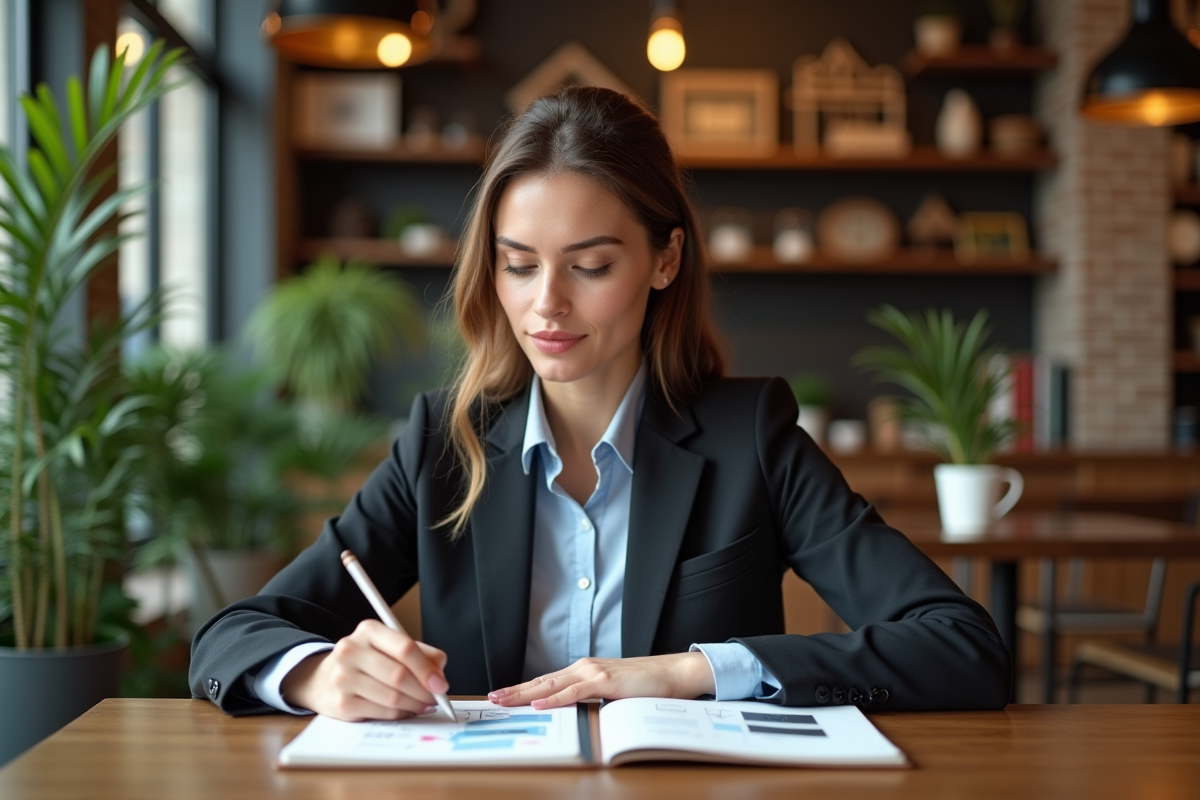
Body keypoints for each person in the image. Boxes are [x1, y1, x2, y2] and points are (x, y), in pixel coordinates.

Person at [189, 87, 1010, 720]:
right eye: (519, 265)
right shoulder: (444, 444)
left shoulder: (749, 438)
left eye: (588, 267)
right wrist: (315, 674)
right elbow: (229, 637)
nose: (546, 305)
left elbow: (963, 648)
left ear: (664, 260)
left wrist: (694, 670)